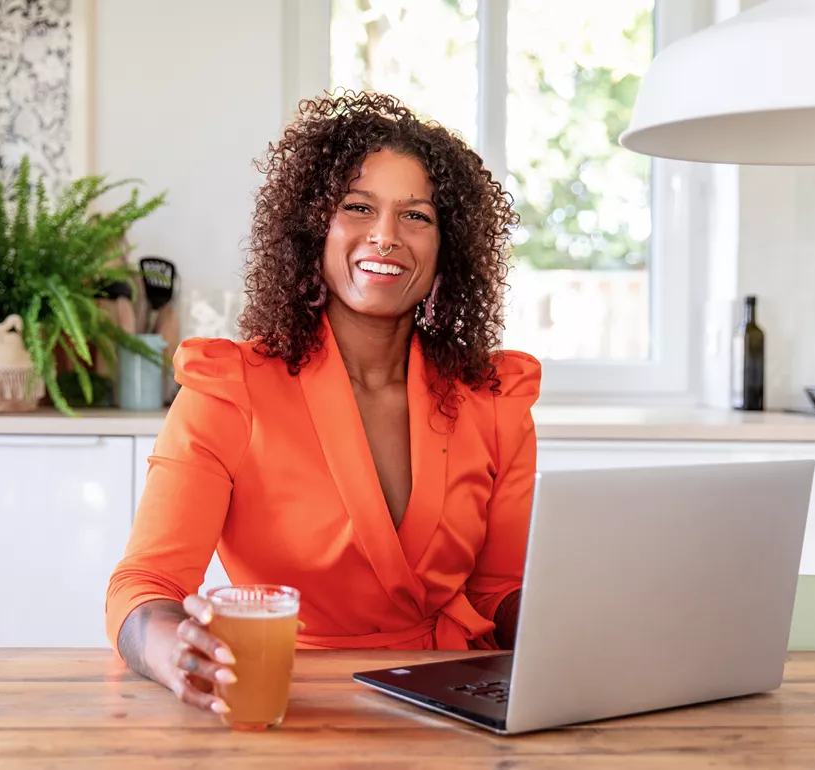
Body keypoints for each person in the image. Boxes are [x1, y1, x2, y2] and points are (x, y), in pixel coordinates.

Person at [106, 91, 540, 714]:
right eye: (357, 207)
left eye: (416, 216)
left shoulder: (494, 402)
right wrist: (172, 650)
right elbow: (143, 585)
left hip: (449, 700)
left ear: (449, 247)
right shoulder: (229, 390)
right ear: (313, 227)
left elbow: (502, 591)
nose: (386, 236)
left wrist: (577, 625)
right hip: (281, 697)